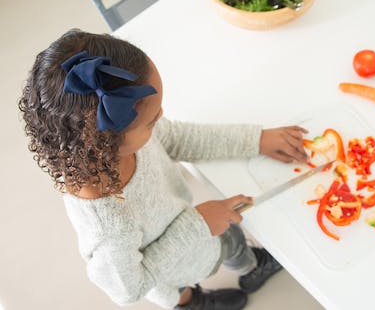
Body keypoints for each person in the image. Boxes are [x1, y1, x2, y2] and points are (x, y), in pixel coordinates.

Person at [18, 29, 308, 310]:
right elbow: (128, 288)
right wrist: (198, 225)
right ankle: (197, 300)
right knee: (181, 287)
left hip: (186, 227)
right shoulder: (107, 226)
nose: (162, 117)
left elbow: (180, 138)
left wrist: (256, 140)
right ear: (106, 143)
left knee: (224, 245)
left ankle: (244, 270)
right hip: (174, 264)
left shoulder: (117, 139)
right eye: (152, 121)